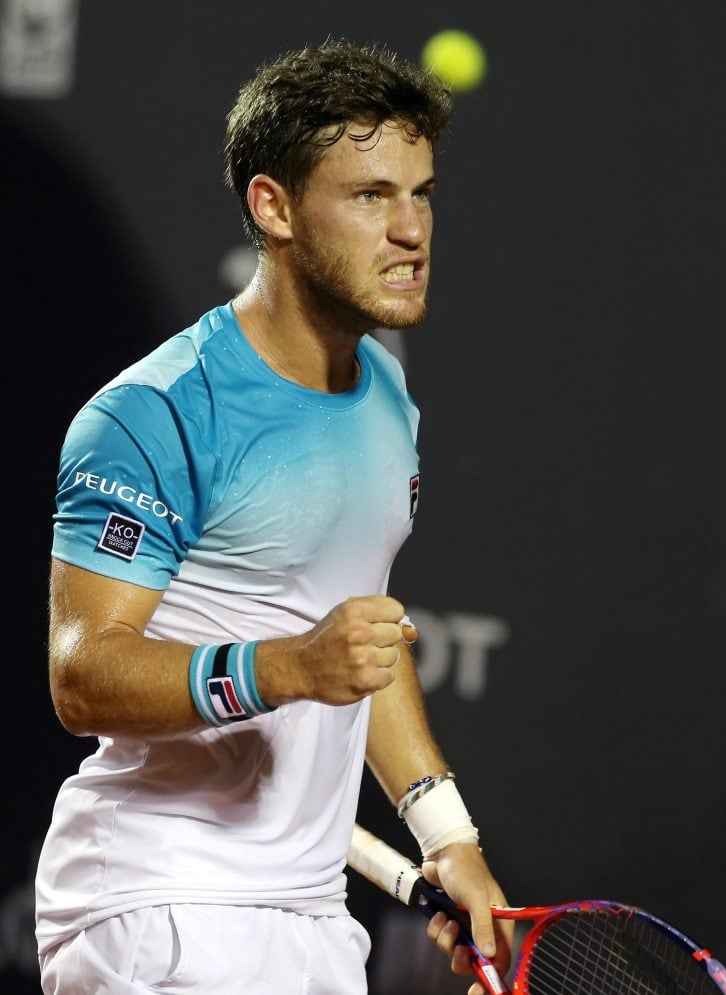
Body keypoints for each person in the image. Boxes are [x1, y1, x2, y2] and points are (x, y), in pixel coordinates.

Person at [35, 38, 514, 995]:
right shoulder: (157, 412)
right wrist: (291, 666)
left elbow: (360, 641)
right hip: (157, 903)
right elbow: (83, 676)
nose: (411, 229)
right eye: (371, 196)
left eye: (420, 193)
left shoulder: (386, 396)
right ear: (274, 207)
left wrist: (446, 833)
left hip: (309, 917)